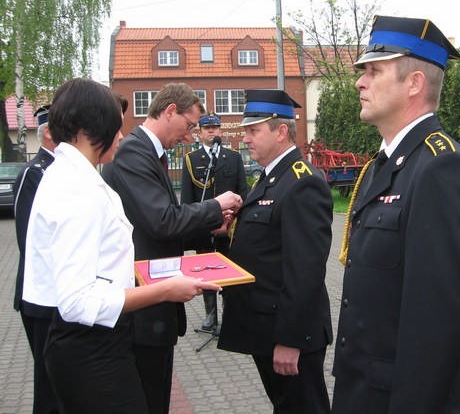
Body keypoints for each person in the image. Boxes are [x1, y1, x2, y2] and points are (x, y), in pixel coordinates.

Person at [21, 78, 219, 413]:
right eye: (116, 125)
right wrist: (166, 290)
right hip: (89, 346)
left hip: (91, 340)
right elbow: (78, 302)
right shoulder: (76, 189)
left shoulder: (74, 176)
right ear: (93, 127)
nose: (122, 135)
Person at [331, 15, 460, 413]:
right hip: (366, 389)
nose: (359, 83)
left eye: (373, 71)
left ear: (414, 83)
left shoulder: (441, 168)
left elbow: (437, 318)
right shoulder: (385, 164)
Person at [102, 82, 243, 414]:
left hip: (154, 302)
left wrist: (211, 226)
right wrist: (214, 205)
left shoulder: (148, 152)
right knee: (149, 399)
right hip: (143, 306)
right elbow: (161, 221)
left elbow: (164, 227)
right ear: (169, 111)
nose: (191, 135)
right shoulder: (134, 153)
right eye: (189, 125)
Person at [217, 89, 333, 414]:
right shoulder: (270, 178)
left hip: (288, 334)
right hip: (265, 326)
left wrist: (291, 340)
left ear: (281, 131)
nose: (245, 139)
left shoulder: (302, 182)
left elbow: (305, 271)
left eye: (253, 131)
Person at [181, 113, 248, 334]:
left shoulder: (233, 157)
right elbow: (187, 200)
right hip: (204, 229)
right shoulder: (192, 160)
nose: (212, 131)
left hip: (229, 229)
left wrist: (233, 221)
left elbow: (243, 192)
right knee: (206, 272)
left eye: (215, 128)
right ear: (199, 133)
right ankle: (210, 315)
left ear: (220, 131)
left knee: (229, 272)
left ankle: (229, 314)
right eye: (207, 128)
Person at [12, 105, 59, 414]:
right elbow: (29, 240)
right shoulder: (35, 173)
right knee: (48, 385)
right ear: (48, 133)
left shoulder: (64, 170)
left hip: (58, 294)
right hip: (40, 295)